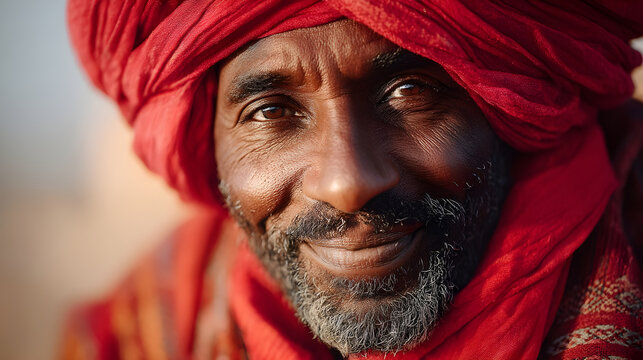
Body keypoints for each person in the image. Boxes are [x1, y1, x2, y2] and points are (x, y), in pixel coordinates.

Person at [62, 1, 643, 359]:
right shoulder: (147, 330)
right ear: (205, 138)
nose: (348, 182)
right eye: (270, 112)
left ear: (513, 104)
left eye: (412, 93)